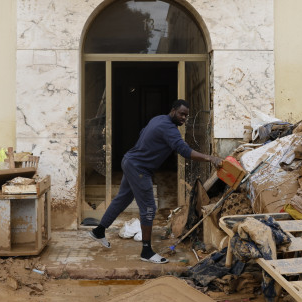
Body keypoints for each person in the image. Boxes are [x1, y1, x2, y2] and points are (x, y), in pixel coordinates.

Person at [87, 99, 222, 263]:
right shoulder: (169, 129)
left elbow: (143, 134)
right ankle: (146, 252)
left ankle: (99, 231)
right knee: (149, 207)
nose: (184, 118)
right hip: (139, 169)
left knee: (123, 199)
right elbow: (185, 151)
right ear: (173, 111)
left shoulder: (158, 119)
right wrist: (210, 158)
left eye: (186, 115)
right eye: (181, 114)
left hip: (130, 161)